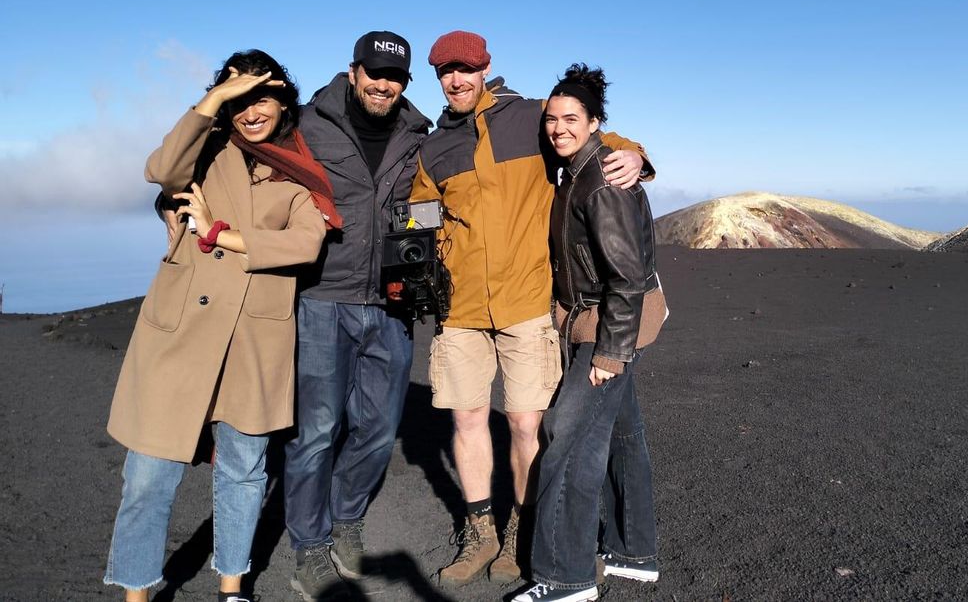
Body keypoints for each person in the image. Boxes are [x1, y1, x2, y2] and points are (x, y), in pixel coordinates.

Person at [409, 31, 650, 587]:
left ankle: (522, 532)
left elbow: (592, 131)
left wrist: (636, 155)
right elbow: (422, 217)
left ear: (484, 67)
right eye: (446, 71)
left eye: (466, 69)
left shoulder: (529, 118)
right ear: (438, 76)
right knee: (468, 420)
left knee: (525, 423)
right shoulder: (433, 149)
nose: (456, 79)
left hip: (525, 301)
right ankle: (481, 533)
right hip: (461, 309)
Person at [105, 50, 332, 602]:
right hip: (180, 334)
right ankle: (136, 590)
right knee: (148, 476)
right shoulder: (204, 151)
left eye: (263, 97)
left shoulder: (297, 167)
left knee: (243, 472)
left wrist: (217, 235)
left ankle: (232, 588)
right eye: (238, 99)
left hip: (255, 338)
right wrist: (213, 100)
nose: (251, 110)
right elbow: (160, 171)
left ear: (284, 102)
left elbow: (308, 241)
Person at [283, 31, 432, 600]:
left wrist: (629, 154)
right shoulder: (306, 124)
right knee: (316, 431)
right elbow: (245, 160)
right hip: (323, 298)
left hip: (392, 303)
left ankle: (347, 520)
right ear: (353, 71)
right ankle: (310, 547)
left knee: (379, 427)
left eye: (393, 77)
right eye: (373, 73)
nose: (382, 84)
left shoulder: (419, 134)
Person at [515, 64, 665, 602]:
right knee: (623, 436)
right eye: (552, 119)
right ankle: (633, 553)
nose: (559, 128)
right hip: (600, 320)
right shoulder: (579, 171)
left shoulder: (601, 179)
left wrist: (610, 353)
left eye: (571, 119)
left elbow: (625, 275)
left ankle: (564, 580)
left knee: (569, 441)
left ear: (595, 122)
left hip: (608, 325)